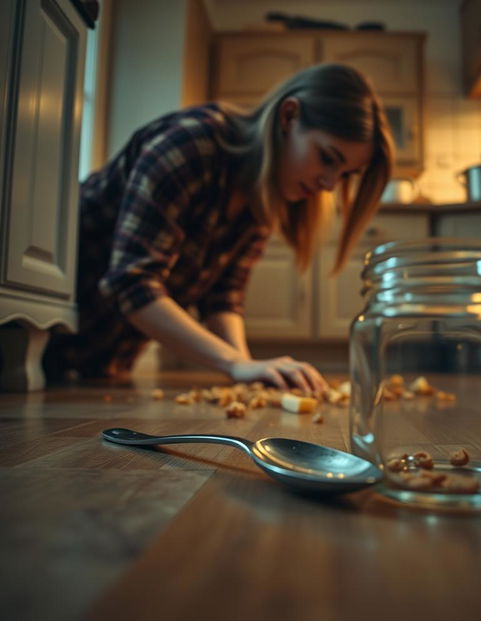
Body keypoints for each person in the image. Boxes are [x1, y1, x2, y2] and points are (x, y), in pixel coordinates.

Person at [43, 63, 395, 393]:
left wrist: (247, 370)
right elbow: (131, 283)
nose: (330, 184)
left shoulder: (264, 195)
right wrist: (234, 364)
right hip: (42, 336)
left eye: (345, 173)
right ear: (288, 117)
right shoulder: (190, 143)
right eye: (328, 158)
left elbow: (223, 299)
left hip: (103, 359)